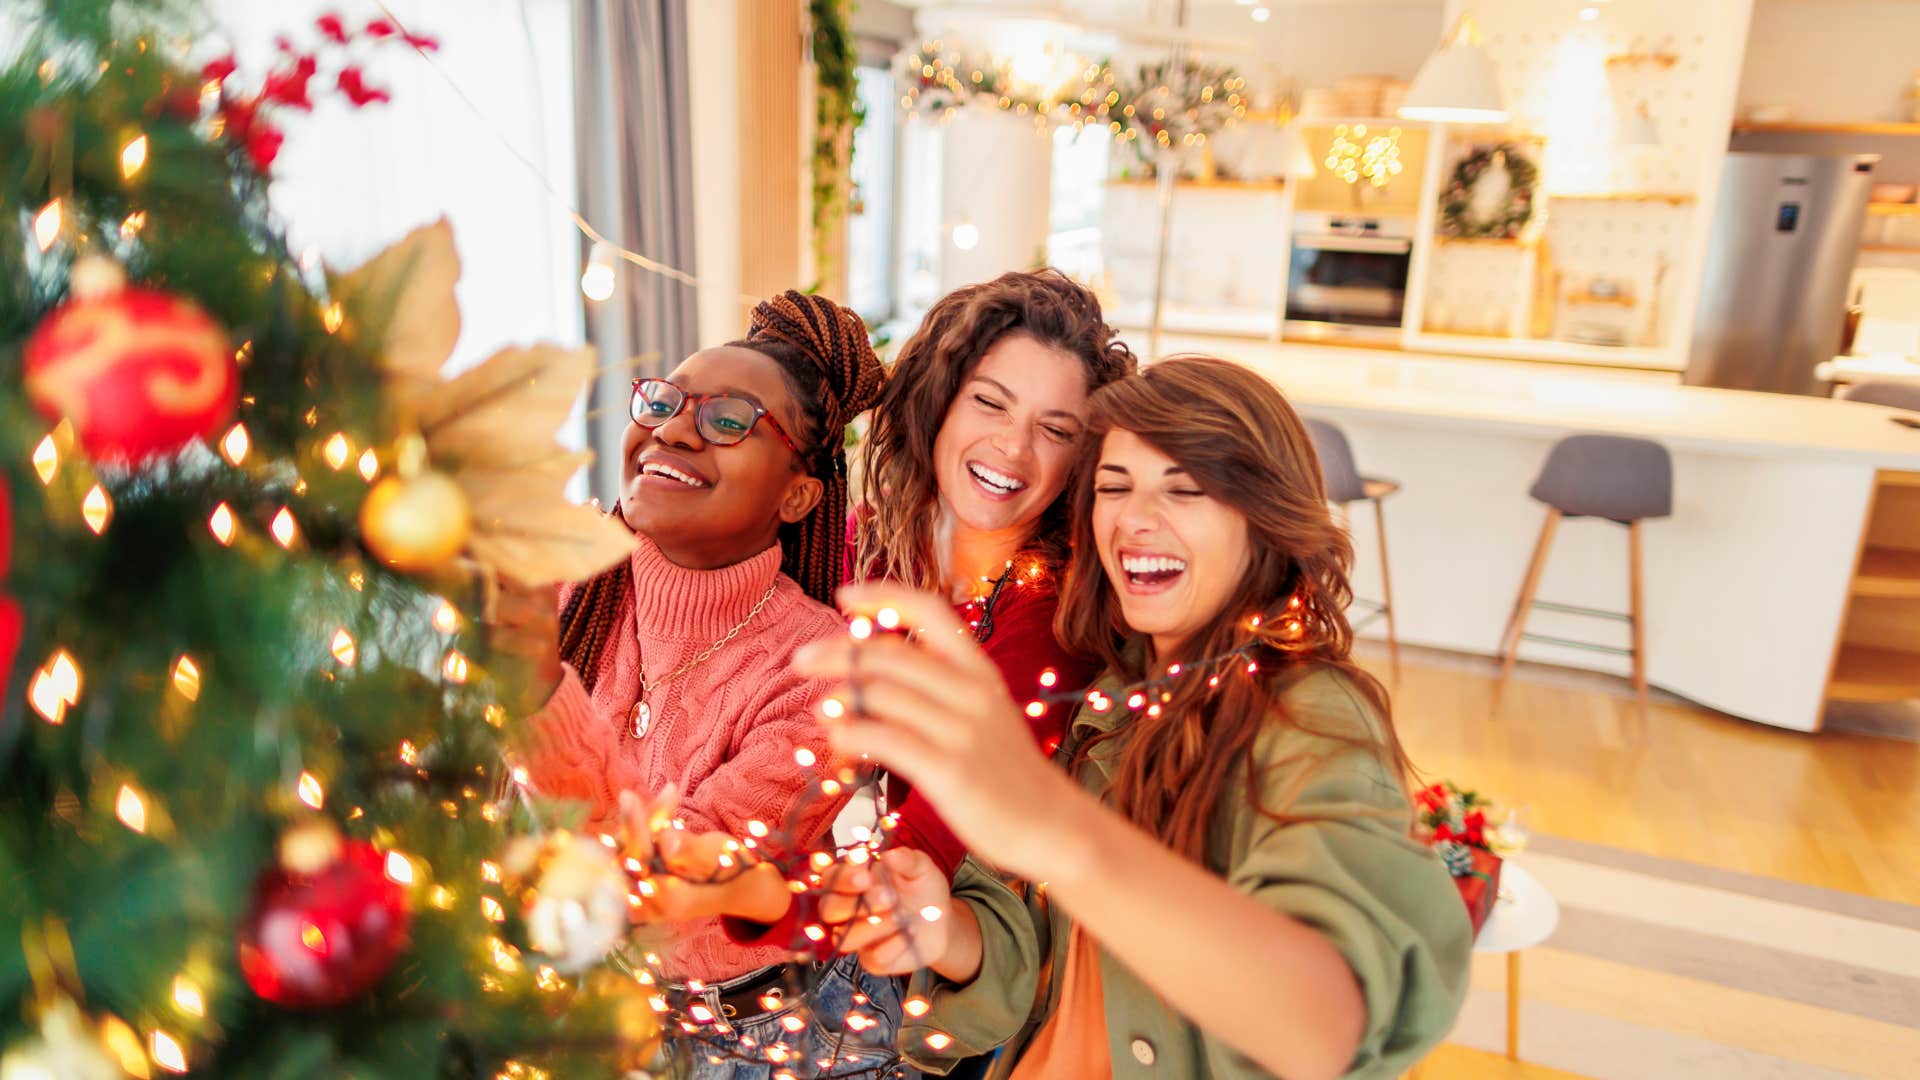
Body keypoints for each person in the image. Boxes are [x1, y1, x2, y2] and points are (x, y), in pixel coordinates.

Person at [795, 356, 1472, 1079]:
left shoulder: (1310, 718)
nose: (1136, 520)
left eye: (1186, 491)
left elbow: (1328, 1027)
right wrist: (947, 931)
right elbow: (1033, 966)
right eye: (1113, 488)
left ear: (1265, 518)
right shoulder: (1109, 698)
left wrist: (1058, 831)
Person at [491, 291, 894, 1077]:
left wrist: (539, 694)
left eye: (729, 419)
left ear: (798, 494)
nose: (673, 428)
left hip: (742, 1044)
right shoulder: (570, 592)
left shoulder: (826, 669)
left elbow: (662, 892)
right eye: (665, 401)